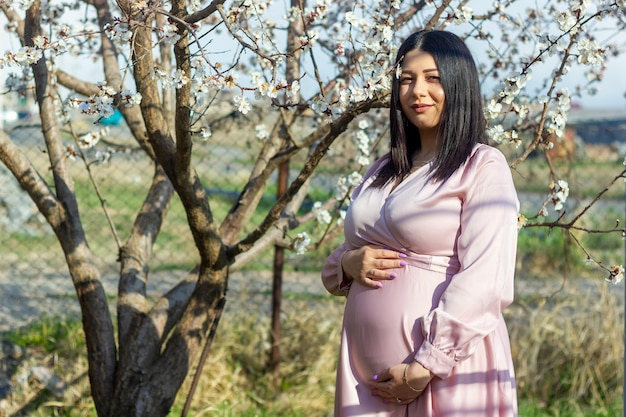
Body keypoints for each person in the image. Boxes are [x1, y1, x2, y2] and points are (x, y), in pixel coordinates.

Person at [321, 29, 519, 417]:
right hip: (366, 382)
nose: (417, 92)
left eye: (433, 78)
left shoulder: (482, 166)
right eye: (407, 80)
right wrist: (346, 264)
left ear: (458, 85)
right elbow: (344, 258)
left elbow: (487, 277)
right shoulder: (382, 169)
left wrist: (427, 364)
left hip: (445, 372)